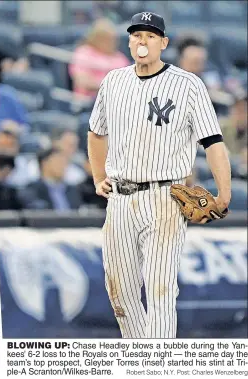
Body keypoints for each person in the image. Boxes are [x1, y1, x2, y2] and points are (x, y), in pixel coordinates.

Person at [88, 12, 231, 339]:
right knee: (121, 294)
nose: (143, 41)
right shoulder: (113, 81)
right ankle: (142, 359)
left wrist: (223, 192)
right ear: (129, 41)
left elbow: (212, 142)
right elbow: (96, 133)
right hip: (121, 198)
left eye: (151, 36)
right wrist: (99, 177)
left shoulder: (188, 84)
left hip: (166, 196)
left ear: (163, 43)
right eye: (137, 35)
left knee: (160, 290)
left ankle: (159, 366)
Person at [69, 18, 130, 98]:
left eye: (114, 39)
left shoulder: (120, 57)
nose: (113, 43)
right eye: (107, 39)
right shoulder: (84, 52)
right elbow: (82, 82)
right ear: (96, 38)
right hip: (90, 102)